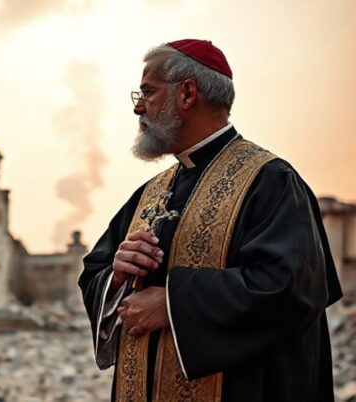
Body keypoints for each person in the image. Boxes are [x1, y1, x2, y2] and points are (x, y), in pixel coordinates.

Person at [78, 39, 342, 402]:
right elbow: (95, 269)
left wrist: (173, 305)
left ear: (187, 94)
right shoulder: (151, 192)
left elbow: (290, 287)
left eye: (148, 92)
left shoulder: (270, 181)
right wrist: (119, 276)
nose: (138, 107)